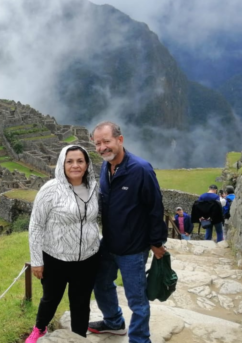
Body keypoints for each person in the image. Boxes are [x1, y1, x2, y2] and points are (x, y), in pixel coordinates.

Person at [89, 121, 167, 342]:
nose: (102, 147)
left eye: (106, 141)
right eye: (98, 144)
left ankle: (140, 339)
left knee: (136, 299)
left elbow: (155, 207)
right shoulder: (105, 167)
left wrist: (157, 242)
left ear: (120, 140)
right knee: (100, 283)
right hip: (109, 243)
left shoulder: (140, 169)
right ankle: (114, 322)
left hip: (133, 247)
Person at [26, 145, 100, 342]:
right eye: (70, 161)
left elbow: (92, 220)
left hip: (88, 258)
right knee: (51, 298)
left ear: (87, 164)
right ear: (62, 164)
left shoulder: (93, 187)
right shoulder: (50, 190)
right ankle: (40, 328)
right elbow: (36, 225)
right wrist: (37, 261)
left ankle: (78, 337)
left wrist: (97, 242)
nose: (75, 165)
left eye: (80, 161)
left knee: (81, 302)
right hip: (56, 256)